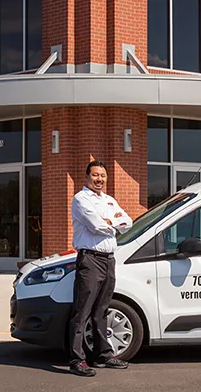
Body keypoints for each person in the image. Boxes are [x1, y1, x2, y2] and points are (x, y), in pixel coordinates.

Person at [67, 160, 133, 377]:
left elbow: (128, 222)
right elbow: (96, 225)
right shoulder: (80, 199)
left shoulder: (109, 200)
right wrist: (113, 224)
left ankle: (102, 354)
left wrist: (110, 222)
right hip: (90, 260)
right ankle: (77, 359)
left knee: (101, 310)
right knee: (83, 310)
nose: (99, 179)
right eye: (95, 175)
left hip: (108, 259)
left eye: (103, 176)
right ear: (87, 177)